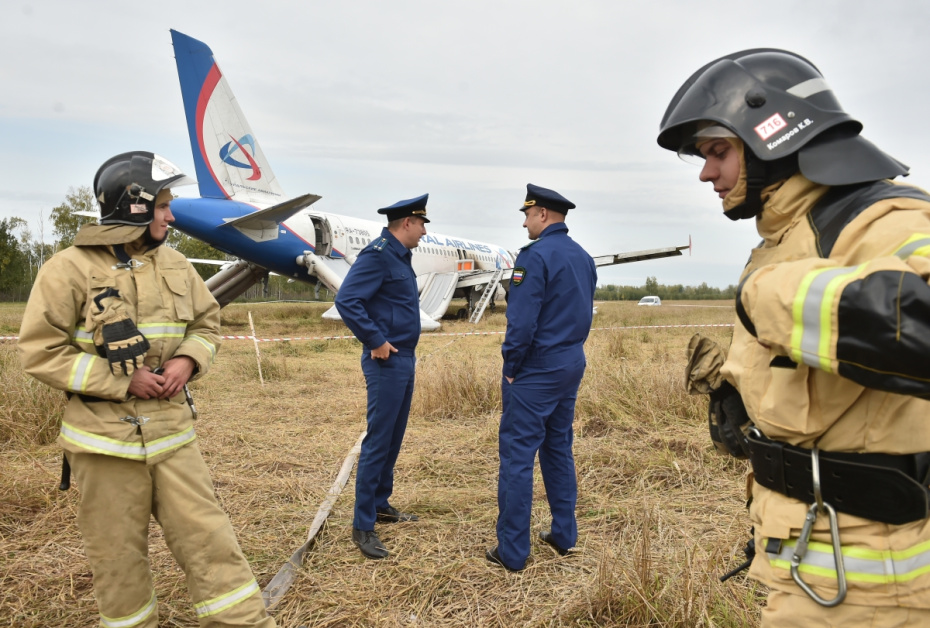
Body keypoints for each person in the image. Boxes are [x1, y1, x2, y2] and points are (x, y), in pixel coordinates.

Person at [660, 49, 930, 625]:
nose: (708, 172)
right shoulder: (786, 235)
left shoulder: (889, 220)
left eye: (718, 150)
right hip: (807, 553)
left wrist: (771, 297)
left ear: (773, 137)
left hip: (876, 584)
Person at [18, 152, 276, 628]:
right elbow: (38, 352)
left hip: (174, 436)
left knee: (212, 543)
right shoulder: (66, 269)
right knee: (117, 561)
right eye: (162, 205)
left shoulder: (176, 264)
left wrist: (187, 359)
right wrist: (120, 380)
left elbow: (207, 323)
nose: (170, 215)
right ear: (133, 205)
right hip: (103, 444)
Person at [487, 184, 597, 572]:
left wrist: (512, 367)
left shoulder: (534, 256)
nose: (524, 221)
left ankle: (513, 552)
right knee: (557, 447)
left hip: (536, 368)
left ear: (544, 215)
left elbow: (521, 321)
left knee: (518, 456)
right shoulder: (583, 257)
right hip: (570, 362)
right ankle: (564, 535)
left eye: (528, 215)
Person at [334, 193, 429, 560]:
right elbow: (348, 300)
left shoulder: (400, 257)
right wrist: (374, 339)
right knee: (378, 440)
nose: (423, 232)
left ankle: (380, 503)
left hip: (405, 357)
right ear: (406, 223)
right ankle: (362, 526)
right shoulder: (377, 255)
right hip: (386, 360)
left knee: (393, 437)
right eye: (421, 224)